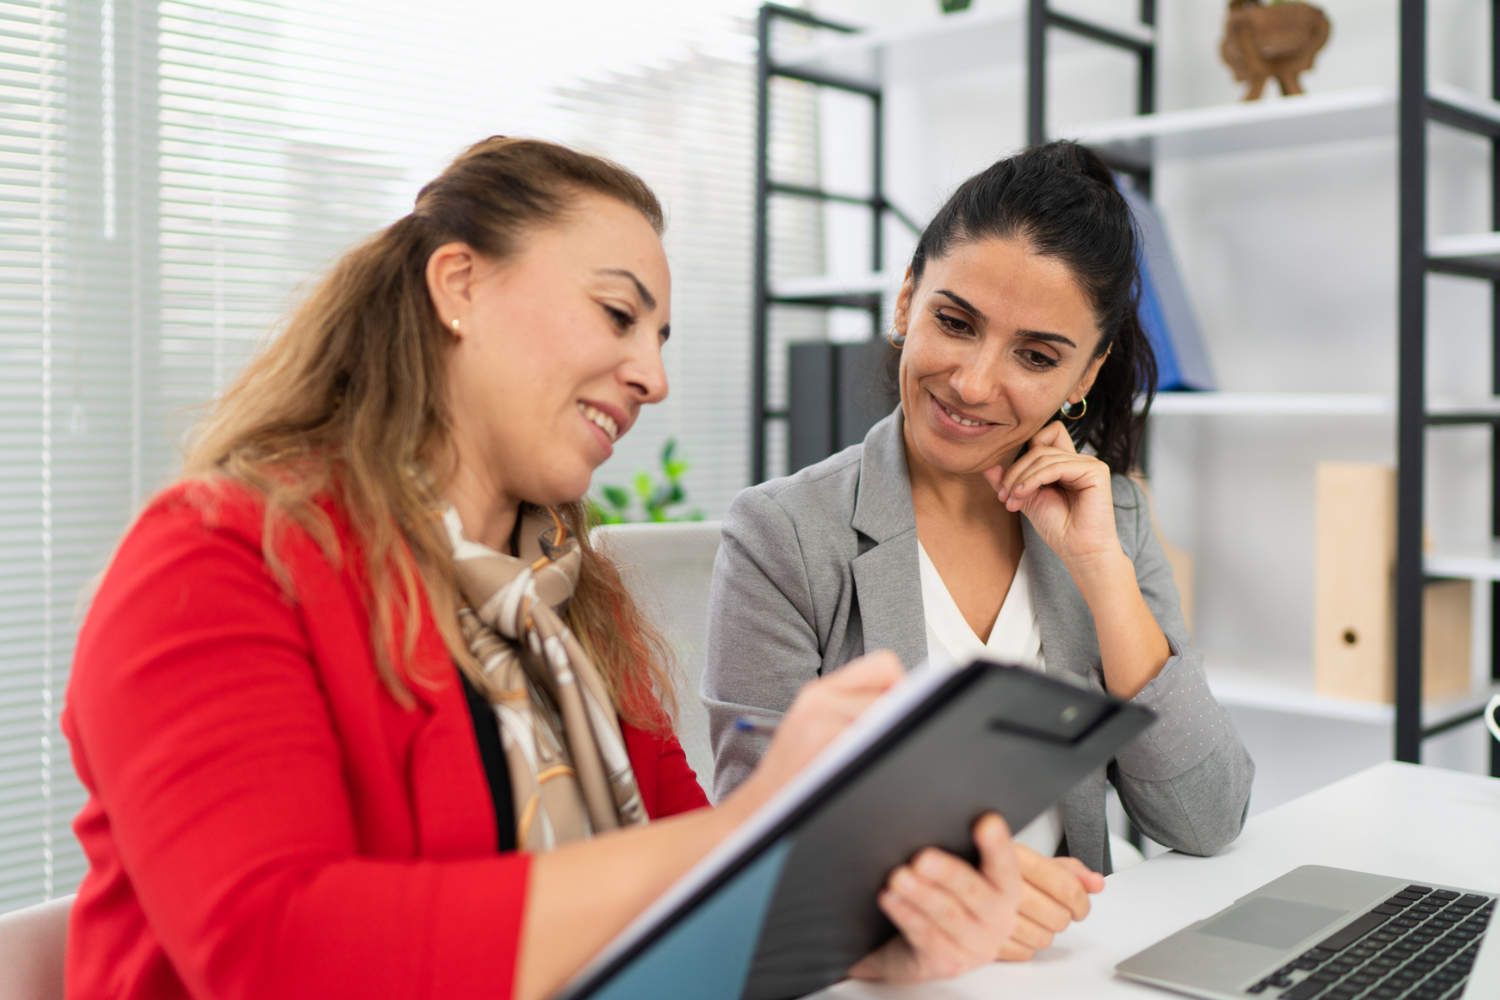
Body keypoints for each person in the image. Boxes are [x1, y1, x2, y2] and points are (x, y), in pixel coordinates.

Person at [61, 137, 1024, 1000]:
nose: (654, 376)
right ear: (458, 286)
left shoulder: (571, 602)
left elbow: (700, 898)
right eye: (617, 314)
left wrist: (869, 946)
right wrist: (766, 821)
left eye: (659, 339)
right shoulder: (216, 559)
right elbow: (274, 955)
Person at [702, 141, 1255, 962]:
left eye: (1035, 355)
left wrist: (1102, 573)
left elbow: (1208, 819)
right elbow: (757, 866)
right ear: (905, 302)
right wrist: (953, 903)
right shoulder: (783, 536)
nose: (971, 381)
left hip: (1075, 965)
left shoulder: (1114, 517)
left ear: (1086, 373)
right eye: (954, 323)